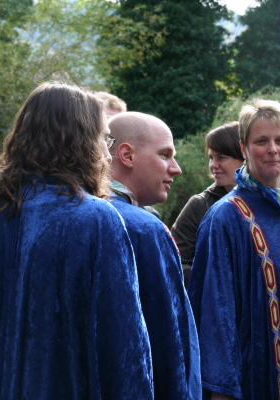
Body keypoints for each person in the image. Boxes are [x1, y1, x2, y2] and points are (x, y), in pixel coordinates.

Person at [0, 83, 154, 399]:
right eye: (103, 138)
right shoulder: (96, 220)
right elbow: (122, 344)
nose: (106, 153)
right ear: (82, 141)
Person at [188, 99, 280, 399]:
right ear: (244, 149)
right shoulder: (226, 216)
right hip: (253, 376)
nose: (273, 149)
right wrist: (221, 389)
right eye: (261, 141)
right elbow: (215, 312)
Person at [108, 111, 201, 399]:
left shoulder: (75, 215)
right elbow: (170, 339)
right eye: (164, 155)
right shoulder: (143, 228)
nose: (176, 169)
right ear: (127, 155)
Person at [171, 122, 244, 286]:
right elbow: (175, 262)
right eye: (211, 158)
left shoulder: (270, 200)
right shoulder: (199, 205)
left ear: (244, 155)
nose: (213, 165)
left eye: (221, 157)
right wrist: (216, 284)